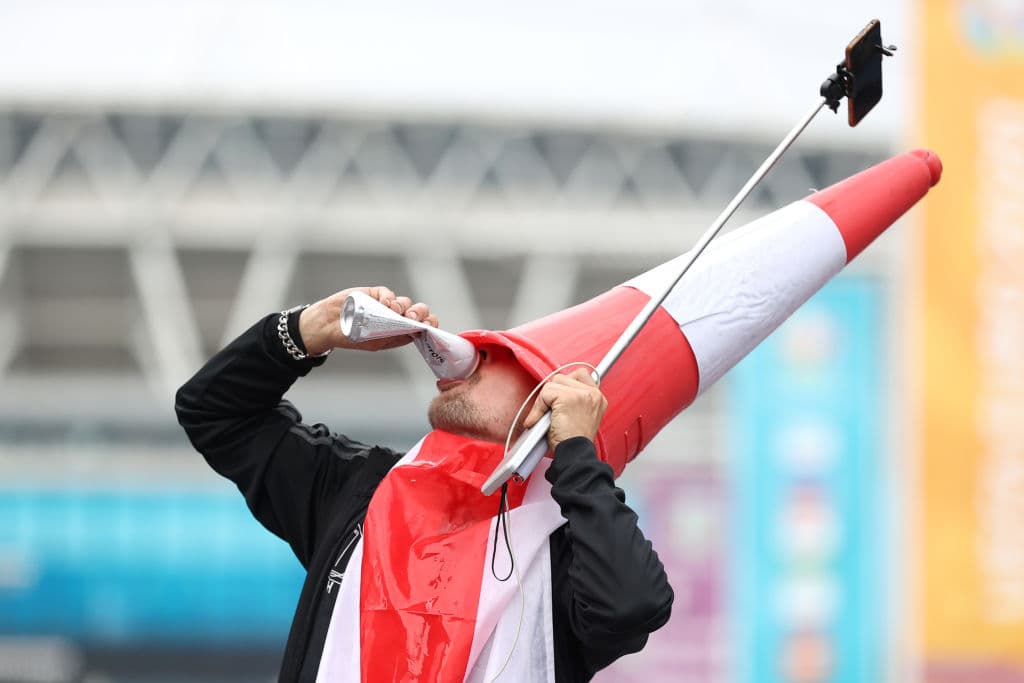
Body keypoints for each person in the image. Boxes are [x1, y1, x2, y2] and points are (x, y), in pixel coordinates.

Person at [175, 285, 673, 682]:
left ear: (549, 401)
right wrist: (314, 329)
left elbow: (632, 606)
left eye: (493, 357)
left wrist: (576, 452)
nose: (455, 358)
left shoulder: (561, 556)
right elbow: (214, 411)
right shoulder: (358, 493)